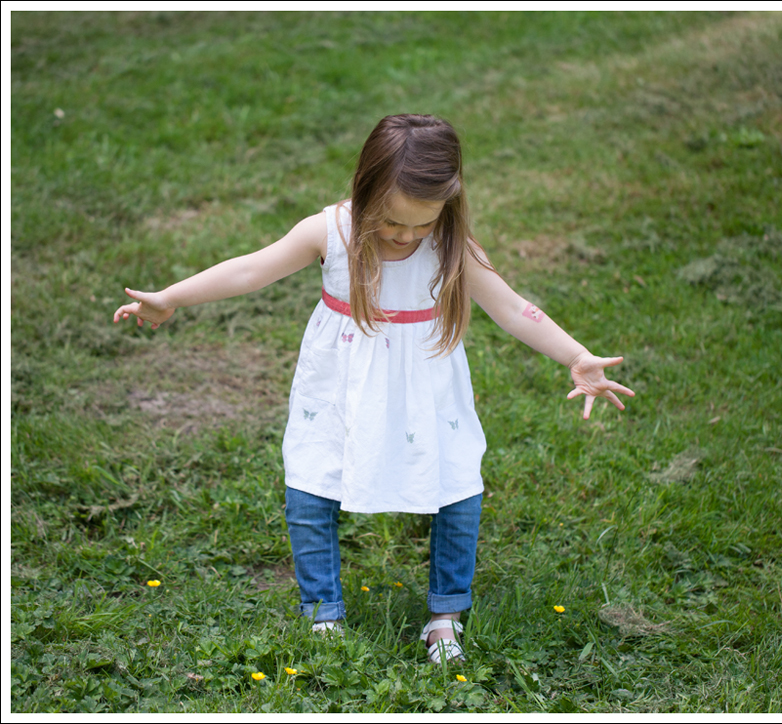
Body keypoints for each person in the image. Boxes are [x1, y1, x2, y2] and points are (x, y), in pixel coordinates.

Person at [113, 114, 634, 664]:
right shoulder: (329, 232)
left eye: (422, 222)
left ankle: (445, 618)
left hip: (426, 386)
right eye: (390, 221)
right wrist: (171, 296)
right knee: (312, 478)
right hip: (341, 382)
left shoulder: (451, 243)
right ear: (364, 189)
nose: (406, 235)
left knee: (457, 482)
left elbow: (511, 308)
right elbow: (250, 270)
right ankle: (323, 613)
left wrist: (575, 355)